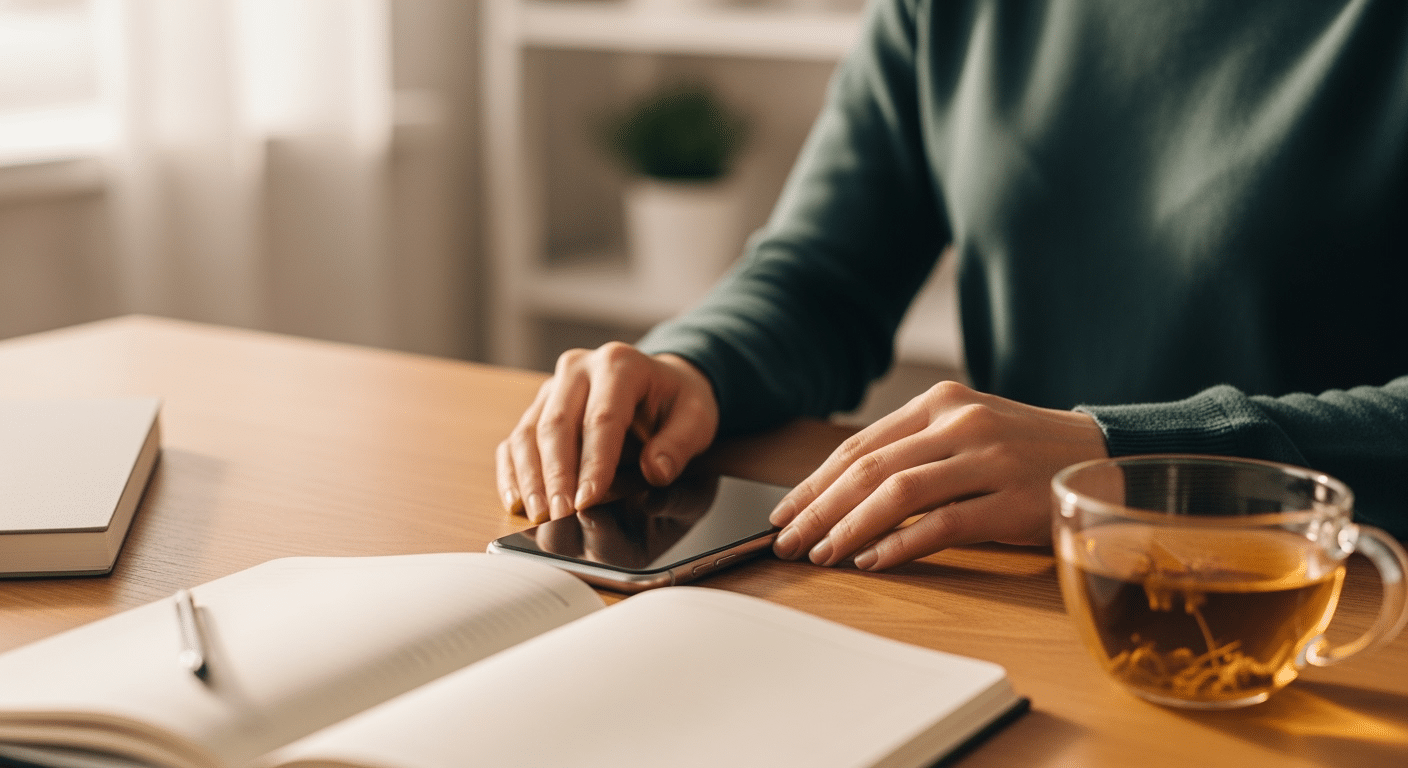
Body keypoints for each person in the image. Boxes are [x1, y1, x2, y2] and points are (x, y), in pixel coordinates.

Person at [497, 0, 1408, 572]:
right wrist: (693, 362)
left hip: (1331, 604)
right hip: (1032, 591)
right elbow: (821, 271)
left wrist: (1126, 459)